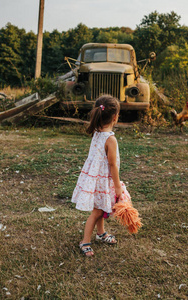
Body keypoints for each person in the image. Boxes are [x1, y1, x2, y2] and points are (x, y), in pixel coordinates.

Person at [71, 95, 126, 257]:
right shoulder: (110, 139)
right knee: (96, 212)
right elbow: (112, 164)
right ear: (115, 117)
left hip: (96, 179)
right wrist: (117, 186)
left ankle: (101, 233)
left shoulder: (97, 132)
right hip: (102, 180)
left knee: (101, 207)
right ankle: (85, 241)